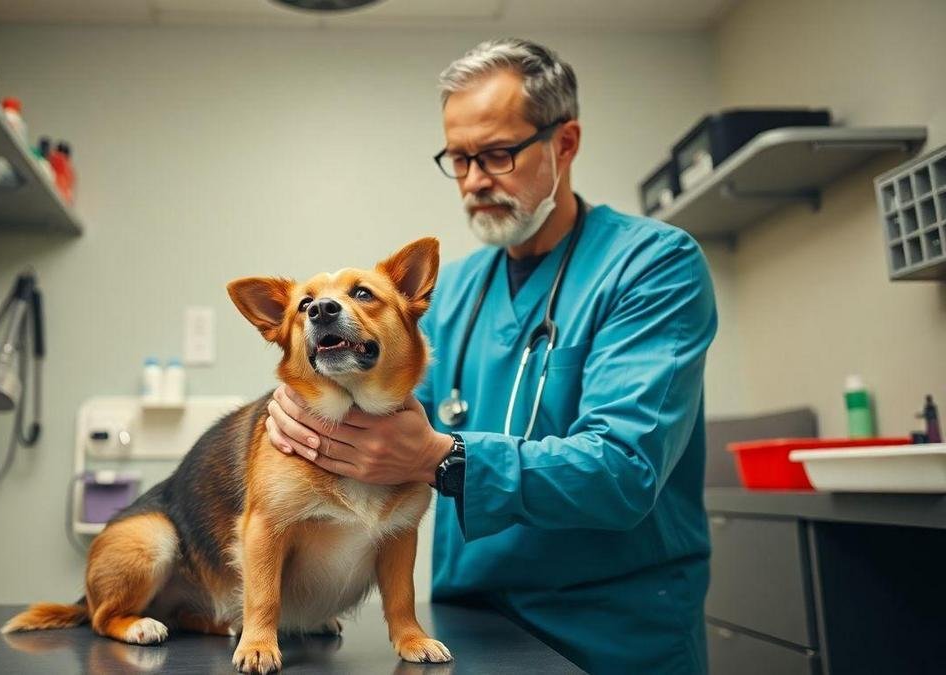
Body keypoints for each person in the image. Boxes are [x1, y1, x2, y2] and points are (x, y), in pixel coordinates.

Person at [265, 38, 717, 674]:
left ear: (565, 143)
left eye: (498, 155)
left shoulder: (653, 267)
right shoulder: (452, 293)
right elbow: (387, 419)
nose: (475, 181)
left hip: (612, 630)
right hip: (471, 622)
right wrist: (303, 419)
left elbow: (624, 468)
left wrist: (441, 458)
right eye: (459, 158)